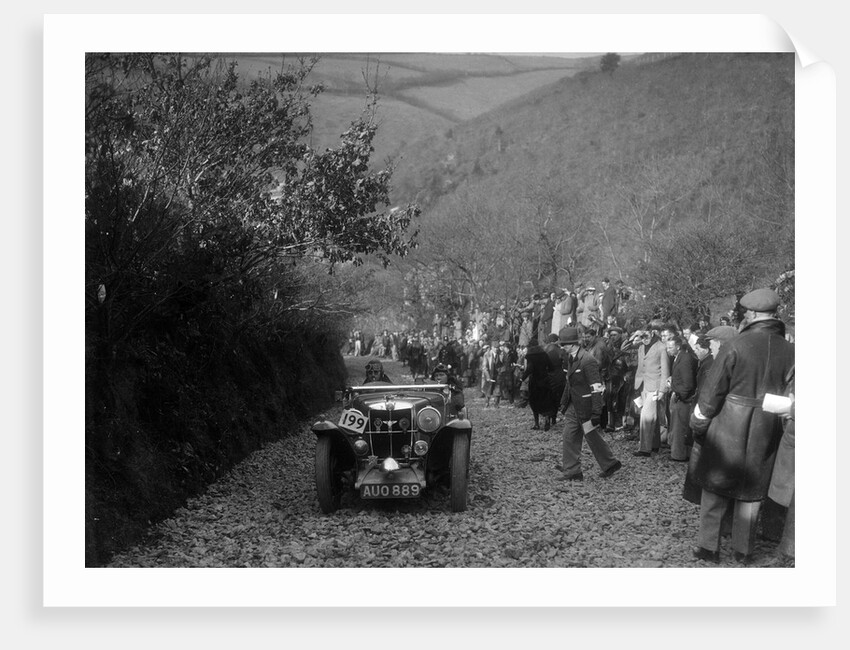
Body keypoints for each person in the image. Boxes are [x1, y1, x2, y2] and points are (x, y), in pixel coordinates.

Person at [689, 288, 795, 564]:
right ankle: (743, 551)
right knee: (751, 491)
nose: (744, 316)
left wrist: (698, 423)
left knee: (714, 485)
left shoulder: (736, 344)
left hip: (727, 423)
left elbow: (712, 391)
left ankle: (708, 547)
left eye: (746, 312)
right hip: (766, 427)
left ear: (754, 314)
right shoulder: (791, 351)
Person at [554, 327, 622, 482]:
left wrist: (597, 411)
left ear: (572, 344)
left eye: (564, 344)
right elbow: (569, 384)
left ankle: (610, 464)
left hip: (586, 406)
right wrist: (563, 403)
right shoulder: (571, 358)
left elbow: (596, 387)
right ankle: (572, 470)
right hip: (574, 405)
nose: (562, 347)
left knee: (591, 436)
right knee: (569, 436)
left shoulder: (587, 360)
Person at [633, 320, 670, 457]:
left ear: (652, 333)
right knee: (652, 418)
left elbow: (665, 370)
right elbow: (626, 348)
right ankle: (654, 445)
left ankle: (644, 448)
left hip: (655, 386)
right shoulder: (641, 347)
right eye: (642, 336)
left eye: (646, 335)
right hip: (643, 385)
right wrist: (635, 336)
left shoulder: (661, 347)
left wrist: (662, 390)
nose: (644, 338)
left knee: (646, 417)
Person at [666, 334, 697, 462]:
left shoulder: (684, 360)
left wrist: (678, 393)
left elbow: (688, 383)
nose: (668, 350)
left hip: (683, 399)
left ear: (678, 347)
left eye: (670, 347)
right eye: (667, 347)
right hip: (680, 396)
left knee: (679, 428)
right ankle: (679, 452)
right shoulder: (679, 357)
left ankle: (678, 455)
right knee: (677, 426)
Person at [522, 340, 558, 430]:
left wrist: (523, 377)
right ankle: (547, 420)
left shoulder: (530, 356)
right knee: (546, 400)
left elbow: (529, 368)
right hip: (545, 381)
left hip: (534, 381)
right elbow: (551, 367)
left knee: (534, 401)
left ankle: (537, 424)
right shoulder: (544, 354)